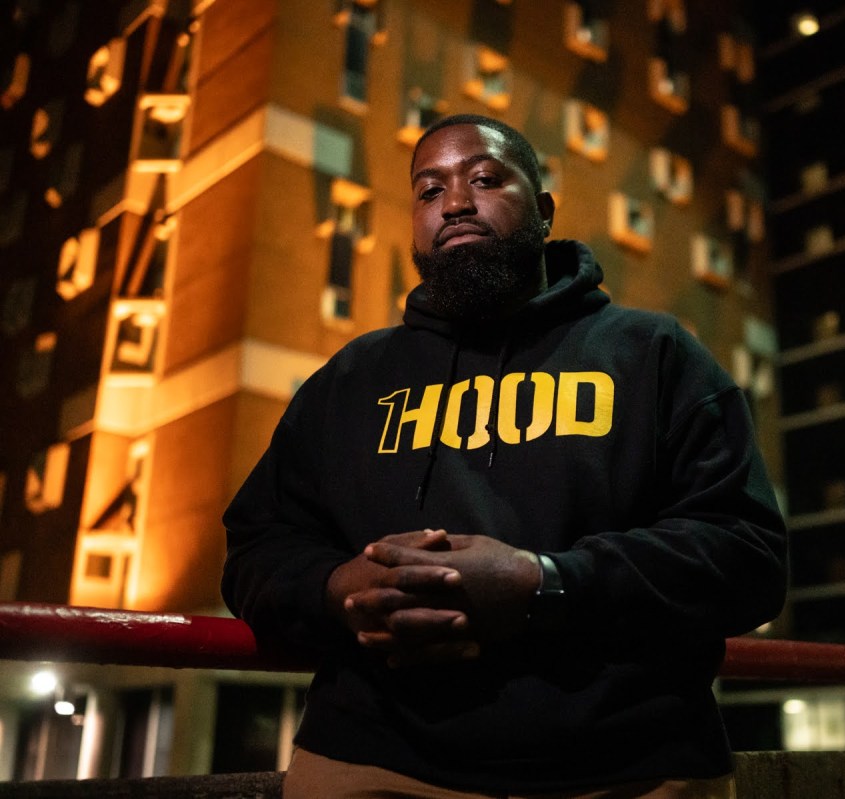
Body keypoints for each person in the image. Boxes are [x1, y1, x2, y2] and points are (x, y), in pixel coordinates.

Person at [222, 113, 787, 798]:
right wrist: (335, 590)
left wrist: (544, 582)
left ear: (544, 211)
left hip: (631, 769)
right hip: (374, 764)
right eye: (428, 190)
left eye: (484, 178)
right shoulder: (348, 381)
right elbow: (257, 546)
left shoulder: (655, 356)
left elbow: (749, 556)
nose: (455, 201)